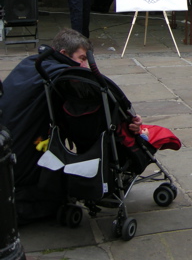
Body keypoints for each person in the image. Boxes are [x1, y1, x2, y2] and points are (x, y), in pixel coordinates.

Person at [0, 28, 141, 223]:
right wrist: (127, 118)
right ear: (64, 54)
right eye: (82, 58)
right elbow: (97, 100)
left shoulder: (32, 63)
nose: (85, 65)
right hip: (19, 166)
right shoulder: (62, 76)